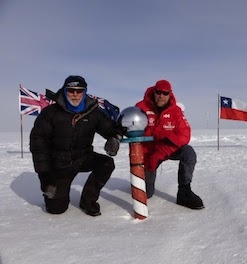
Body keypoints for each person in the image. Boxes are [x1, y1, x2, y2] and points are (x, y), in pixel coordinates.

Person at [30, 75, 122, 216]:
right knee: (57, 209)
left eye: (79, 91)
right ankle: (53, 195)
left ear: (84, 92)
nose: (75, 94)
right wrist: (45, 176)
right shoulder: (50, 113)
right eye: (71, 90)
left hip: (82, 157)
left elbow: (110, 128)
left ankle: (88, 200)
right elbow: (38, 146)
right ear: (65, 91)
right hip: (59, 164)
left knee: (106, 163)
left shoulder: (92, 112)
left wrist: (114, 138)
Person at [135, 79, 204, 210]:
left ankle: (184, 191)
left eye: (165, 93)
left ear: (169, 94)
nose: (161, 96)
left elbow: (184, 135)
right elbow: (133, 130)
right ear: (154, 92)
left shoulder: (176, 111)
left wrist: (162, 150)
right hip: (147, 153)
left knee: (188, 152)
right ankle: (144, 180)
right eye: (158, 92)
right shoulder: (141, 107)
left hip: (166, 149)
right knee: (147, 194)